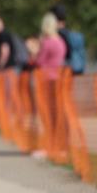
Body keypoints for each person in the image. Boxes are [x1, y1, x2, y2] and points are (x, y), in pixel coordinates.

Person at [31, 12, 66, 159]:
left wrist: (33, 53)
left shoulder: (47, 42)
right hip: (58, 78)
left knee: (46, 114)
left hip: (45, 79)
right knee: (55, 113)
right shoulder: (60, 41)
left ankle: (48, 146)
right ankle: (58, 146)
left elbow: (40, 61)